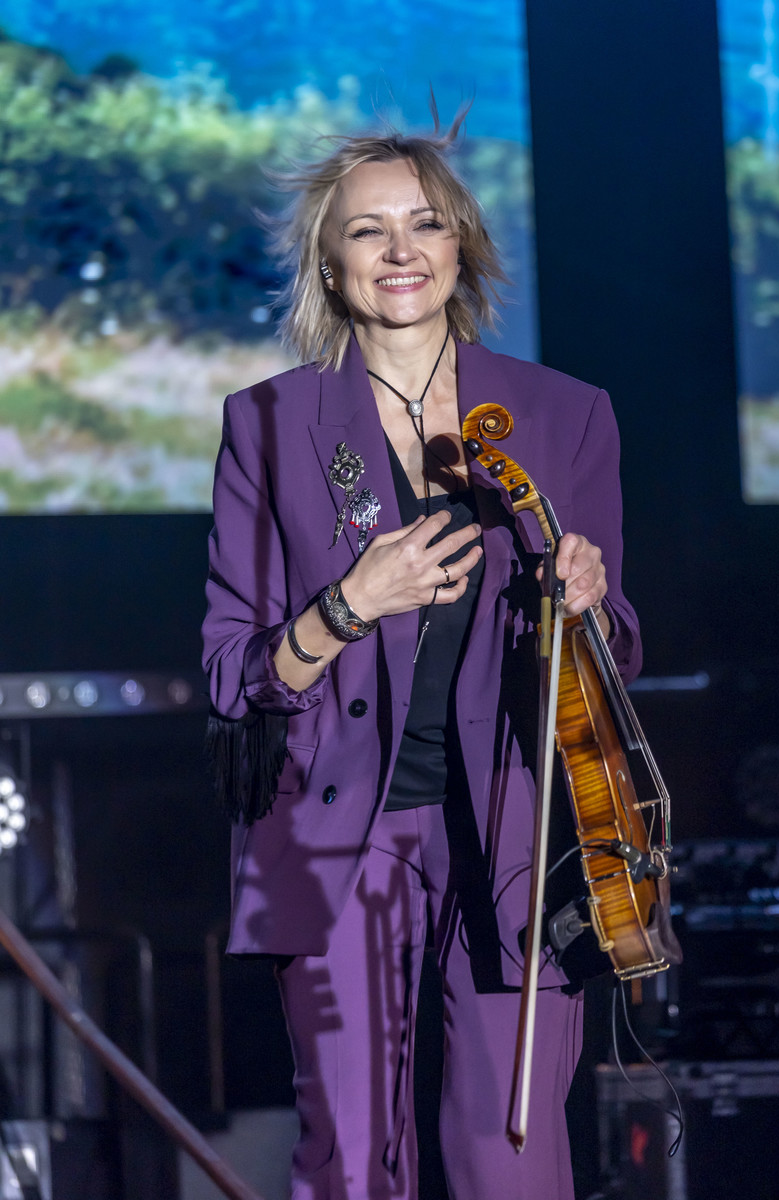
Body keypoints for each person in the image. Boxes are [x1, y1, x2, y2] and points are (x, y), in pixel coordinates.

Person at [202, 112, 642, 1200]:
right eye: (368, 231)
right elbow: (233, 675)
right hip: (337, 835)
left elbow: (619, 650)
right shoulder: (270, 425)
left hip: (516, 829)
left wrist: (588, 602)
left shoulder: (563, 415)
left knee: (512, 1159)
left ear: (461, 245)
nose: (400, 251)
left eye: (425, 224)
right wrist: (350, 603)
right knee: (355, 1161)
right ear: (329, 261)